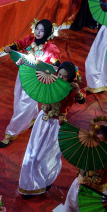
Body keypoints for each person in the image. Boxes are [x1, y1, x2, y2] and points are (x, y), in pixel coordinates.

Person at [18, 62, 85, 198]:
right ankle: (29, 185)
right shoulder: (49, 81)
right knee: (32, 153)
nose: (60, 78)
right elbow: (36, 69)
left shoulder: (70, 90)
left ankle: (45, 180)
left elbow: (82, 100)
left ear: (70, 78)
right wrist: (23, 64)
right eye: (59, 74)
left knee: (45, 156)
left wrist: (77, 92)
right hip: (41, 121)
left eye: (64, 77)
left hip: (56, 125)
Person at [0, 19, 61, 148]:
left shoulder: (51, 48)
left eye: (42, 30)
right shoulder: (29, 40)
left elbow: (56, 64)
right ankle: (32, 118)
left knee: (23, 104)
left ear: (48, 32)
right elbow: (18, 45)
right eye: (37, 28)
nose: (38, 32)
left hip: (35, 81)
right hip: (22, 75)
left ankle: (10, 133)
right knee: (18, 99)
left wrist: (56, 68)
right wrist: (9, 48)